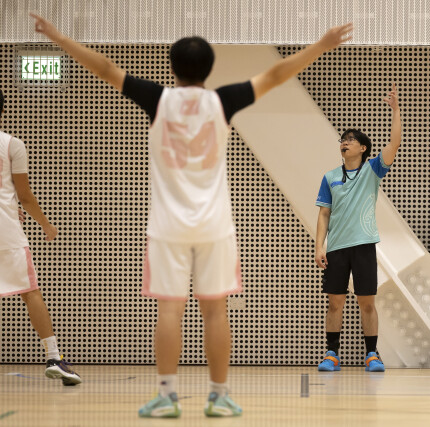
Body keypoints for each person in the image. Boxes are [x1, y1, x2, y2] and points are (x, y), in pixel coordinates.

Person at [31, 12, 352, 418]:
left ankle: (167, 396)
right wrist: (321, 45)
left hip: (167, 226)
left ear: (172, 68)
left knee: (170, 309)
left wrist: (59, 37)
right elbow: (275, 74)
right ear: (209, 69)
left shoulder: (157, 99)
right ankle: (219, 396)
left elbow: (106, 67)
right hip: (215, 225)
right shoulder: (223, 100)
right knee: (215, 310)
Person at [314, 84, 401, 373]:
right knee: (335, 303)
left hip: (364, 245)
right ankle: (331, 354)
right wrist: (319, 246)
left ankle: (372, 355)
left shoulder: (372, 169)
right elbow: (324, 214)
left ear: (363, 148)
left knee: (367, 302)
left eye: (351, 140)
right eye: (343, 139)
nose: (345, 142)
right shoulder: (329, 177)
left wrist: (395, 110)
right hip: (337, 248)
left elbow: (394, 144)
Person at [0, 89, 82, 386]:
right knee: (30, 292)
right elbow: (24, 195)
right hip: (5, 231)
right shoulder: (12, 144)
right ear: (3, 109)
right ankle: (54, 357)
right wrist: (46, 224)